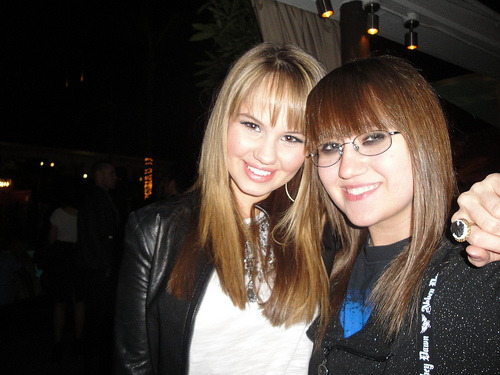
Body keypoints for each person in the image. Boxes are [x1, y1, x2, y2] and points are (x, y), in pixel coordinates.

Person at [114, 42, 331, 374]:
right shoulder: (156, 232)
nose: (266, 155)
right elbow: (133, 363)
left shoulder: (326, 233)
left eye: (291, 137)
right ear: (224, 121)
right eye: (252, 125)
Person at [297, 55, 500, 374]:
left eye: (372, 137)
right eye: (330, 146)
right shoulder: (326, 270)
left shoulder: (468, 275)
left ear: (422, 140)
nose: (347, 168)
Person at [77, 160, 121, 373]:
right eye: (111, 173)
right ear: (100, 175)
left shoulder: (103, 197)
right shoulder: (94, 199)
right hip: (97, 268)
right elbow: (95, 236)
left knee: (99, 314)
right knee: (96, 314)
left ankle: (96, 356)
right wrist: (104, 265)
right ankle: (93, 359)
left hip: (100, 266)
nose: (115, 177)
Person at [46, 186, 84, 361]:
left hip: (61, 257)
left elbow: (51, 239)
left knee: (59, 302)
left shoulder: (58, 213)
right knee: (79, 302)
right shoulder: (83, 214)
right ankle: (78, 341)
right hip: (78, 257)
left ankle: (57, 343)